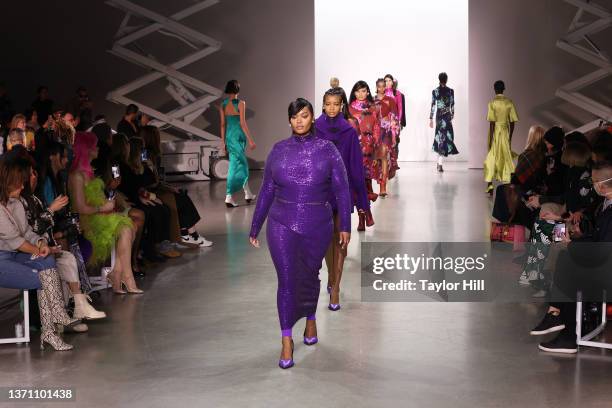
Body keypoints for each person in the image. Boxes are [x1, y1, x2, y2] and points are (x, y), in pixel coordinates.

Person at [249, 98, 351, 369]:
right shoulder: (279, 150)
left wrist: (345, 226)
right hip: (281, 223)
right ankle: (285, 340)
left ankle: (310, 319)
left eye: (304, 115)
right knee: (286, 280)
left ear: (311, 117)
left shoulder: (327, 149)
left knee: (310, 275)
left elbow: (342, 190)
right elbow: (267, 190)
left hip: (318, 222)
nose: (299, 121)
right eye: (294, 117)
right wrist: (256, 224)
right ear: (289, 120)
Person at [530, 161, 612, 353]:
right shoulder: (605, 205)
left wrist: (573, 244)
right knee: (565, 259)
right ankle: (557, 317)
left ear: (602, 185)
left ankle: (560, 321)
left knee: (566, 263)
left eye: (594, 182)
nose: (591, 187)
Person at [0, 156, 81, 350]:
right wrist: (38, 248)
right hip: (3, 259)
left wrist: (42, 242)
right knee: (42, 278)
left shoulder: (16, 203)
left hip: (14, 256)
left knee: (47, 262)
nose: (22, 188)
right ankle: (54, 322)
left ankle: (51, 329)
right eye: (19, 184)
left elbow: (27, 232)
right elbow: (16, 241)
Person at [21, 158, 106, 320]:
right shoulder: (21, 201)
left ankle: (75, 307)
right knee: (62, 258)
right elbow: (33, 230)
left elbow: (41, 231)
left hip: (40, 246)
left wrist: (58, 235)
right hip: (26, 252)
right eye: (32, 173)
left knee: (66, 257)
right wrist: (52, 210)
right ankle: (69, 312)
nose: (35, 176)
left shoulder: (34, 199)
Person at [316, 88, 370, 311]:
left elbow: (356, 167)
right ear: (322, 105)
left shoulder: (349, 131)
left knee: (341, 237)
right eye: (327, 103)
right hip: (320, 192)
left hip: (342, 191)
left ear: (341, 106)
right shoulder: (315, 129)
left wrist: (363, 203)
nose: (331, 108)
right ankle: (330, 278)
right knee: (327, 239)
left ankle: (336, 286)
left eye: (335, 104)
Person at [68, 131, 143, 294]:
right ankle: (124, 276)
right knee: (127, 226)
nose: (97, 148)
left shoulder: (89, 173)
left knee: (128, 226)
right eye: (94, 145)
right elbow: (79, 207)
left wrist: (107, 204)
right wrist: (103, 208)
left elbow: (95, 198)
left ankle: (118, 274)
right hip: (87, 222)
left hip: (99, 216)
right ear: (86, 149)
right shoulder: (76, 176)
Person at [139, 125, 212, 247]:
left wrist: (168, 187)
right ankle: (191, 235)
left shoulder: (152, 155)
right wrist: (163, 188)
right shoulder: (145, 155)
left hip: (156, 188)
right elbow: (148, 180)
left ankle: (187, 233)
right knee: (181, 199)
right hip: (150, 191)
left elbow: (156, 179)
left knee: (181, 195)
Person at [218, 80, 256, 207]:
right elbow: (242, 123)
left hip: (229, 137)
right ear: (237, 90)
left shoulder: (223, 104)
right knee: (238, 166)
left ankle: (247, 193)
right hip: (238, 137)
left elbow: (222, 125)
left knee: (237, 164)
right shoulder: (241, 103)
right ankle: (228, 195)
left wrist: (223, 142)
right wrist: (251, 140)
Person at [484, 80, 519, 194]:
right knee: (507, 155)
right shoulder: (509, 102)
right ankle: (510, 183)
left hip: (495, 132)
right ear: (504, 89)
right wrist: (510, 136)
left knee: (492, 156)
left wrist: (492, 137)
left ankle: (490, 185)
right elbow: (513, 121)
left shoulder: (492, 103)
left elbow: (492, 122)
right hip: (505, 131)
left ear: (494, 89)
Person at [349, 80, 381, 201]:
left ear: (368, 92)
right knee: (356, 182)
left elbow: (377, 128)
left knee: (367, 182)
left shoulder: (374, 108)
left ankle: (366, 214)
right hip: (354, 148)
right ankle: (363, 215)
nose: (361, 94)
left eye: (363, 91)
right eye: (357, 91)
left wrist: (375, 147)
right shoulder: (349, 109)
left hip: (369, 149)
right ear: (354, 93)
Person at [374, 79, 399, 196]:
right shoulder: (372, 101)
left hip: (386, 131)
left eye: (383, 86)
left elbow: (395, 117)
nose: (381, 89)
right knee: (377, 158)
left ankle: (383, 186)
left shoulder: (390, 100)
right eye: (379, 86)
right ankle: (379, 184)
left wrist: (394, 133)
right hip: (374, 133)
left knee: (383, 155)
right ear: (376, 87)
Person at [429, 72, 459, 172]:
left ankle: (439, 163)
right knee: (443, 139)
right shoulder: (449, 91)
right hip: (446, 116)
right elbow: (452, 105)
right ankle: (440, 164)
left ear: (439, 79)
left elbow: (433, 105)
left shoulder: (436, 91)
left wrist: (431, 119)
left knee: (442, 139)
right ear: (446, 79)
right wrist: (452, 115)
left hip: (440, 116)